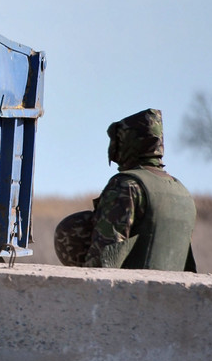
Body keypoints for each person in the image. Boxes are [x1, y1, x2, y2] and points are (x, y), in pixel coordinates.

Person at [54, 108, 196, 271]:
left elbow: (106, 255)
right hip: (172, 292)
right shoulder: (182, 191)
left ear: (127, 142)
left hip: (132, 290)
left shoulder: (126, 185)